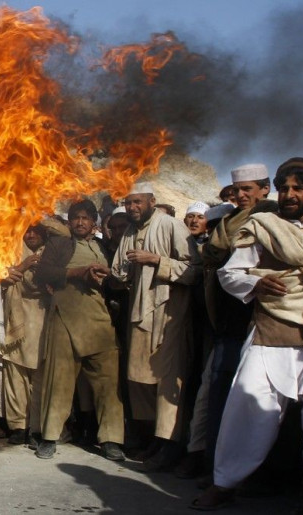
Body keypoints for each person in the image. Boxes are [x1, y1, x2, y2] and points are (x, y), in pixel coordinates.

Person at [192, 158, 303, 512]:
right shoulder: (264, 226)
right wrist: (256, 281)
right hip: (271, 332)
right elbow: (230, 274)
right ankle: (224, 484)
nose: (291, 195)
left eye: (299, 188)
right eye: (286, 188)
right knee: (247, 413)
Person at [111, 182, 201, 471]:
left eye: (138, 202)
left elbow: (193, 271)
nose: (133, 208)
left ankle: (171, 443)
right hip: (139, 313)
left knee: (167, 377)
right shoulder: (129, 232)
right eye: (128, 203)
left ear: (151, 201)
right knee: (139, 377)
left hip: (168, 311)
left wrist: (156, 260)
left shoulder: (172, 225)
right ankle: (154, 438)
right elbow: (119, 272)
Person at [35, 200, 125, 461]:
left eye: (86, 218)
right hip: (65, 317)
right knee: (59, 380)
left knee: (108, 382)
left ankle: (111, 440)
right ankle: (50, 437)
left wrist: (106, 275)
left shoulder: (103, 246)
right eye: (76, 217)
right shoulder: (59, 244)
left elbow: (118, 280)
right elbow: (43, 273)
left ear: (94, 222)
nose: (80, 222)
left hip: (98, 320)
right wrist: (79, 272)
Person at [0, 224, 48, 445]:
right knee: (14, 374)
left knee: (40, 376)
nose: (31, 235)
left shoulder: (53, 251)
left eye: (36, 230)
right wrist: (22, 265)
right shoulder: (10, 249)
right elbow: (0, 277)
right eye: (27, 230)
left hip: (41, 317)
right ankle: (18, 426)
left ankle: (38, 426)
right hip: (15, 318)